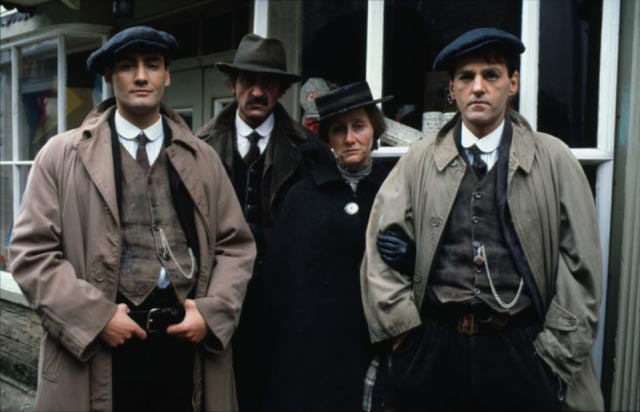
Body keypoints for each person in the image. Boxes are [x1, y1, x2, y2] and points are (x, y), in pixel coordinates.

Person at [9, 26, 256, 412]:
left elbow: (235, 246)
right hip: (102, 347)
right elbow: (30, 253)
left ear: (167, 75)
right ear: (109, 77)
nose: (141, 76)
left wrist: (211, 313)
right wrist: (96, 318)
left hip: (182, 343)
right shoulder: (60, 155)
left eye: (152, 65)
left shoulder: (203, 158)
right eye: (127, 66)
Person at [362, 27, 603, 411]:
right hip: (434, 348)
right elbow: (378, 253)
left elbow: (582, 266)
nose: (478, 87)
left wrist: (556, 355)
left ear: (513, 83)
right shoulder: (418, 161)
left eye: (490, 75)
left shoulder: (554, 159)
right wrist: (403, 335)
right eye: (466, 77)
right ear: (452, 89)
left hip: (522, 349)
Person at [195, 33, 332, 410]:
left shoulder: (309, 152)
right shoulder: (198, 148)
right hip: (219, 297)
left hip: (284, 304)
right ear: (232, 84)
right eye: (248, 81)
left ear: (281, 90)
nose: (257, 91)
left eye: (268, 82)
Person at [262, 81, 390, 411]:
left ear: (374, 129)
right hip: (315, 353)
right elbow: (280, 283)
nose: (349, 138)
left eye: (359, 126)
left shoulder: (394, 190)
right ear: (328, 138)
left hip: (377, 343)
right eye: (338, 129)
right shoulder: (303, 196)